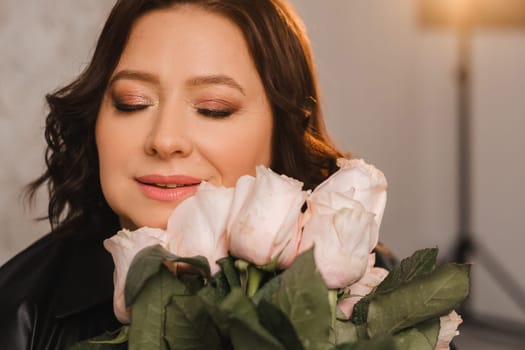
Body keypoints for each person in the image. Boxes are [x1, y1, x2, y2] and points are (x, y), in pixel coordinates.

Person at [0, 0, 395, 349]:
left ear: (283, 129)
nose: (165, 139)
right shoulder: (19, 312)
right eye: (132, 102)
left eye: (213, 108)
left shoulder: (371, 287)